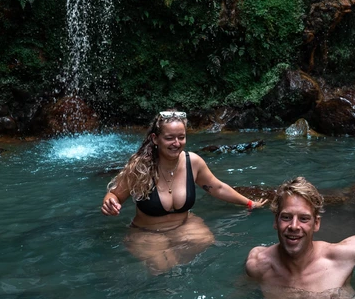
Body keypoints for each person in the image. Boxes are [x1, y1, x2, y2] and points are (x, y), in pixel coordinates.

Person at [102, 110, 267, 273]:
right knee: (162, 269)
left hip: (184, 225)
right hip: (147, 232)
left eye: (181, 137)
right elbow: (115, 194)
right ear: (155, 139)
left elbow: (217, 187)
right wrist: (110, 202)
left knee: (206, 242)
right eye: (169, 138)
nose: (176, 143)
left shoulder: (193, 162)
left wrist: (249, 203)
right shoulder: (140, 166)